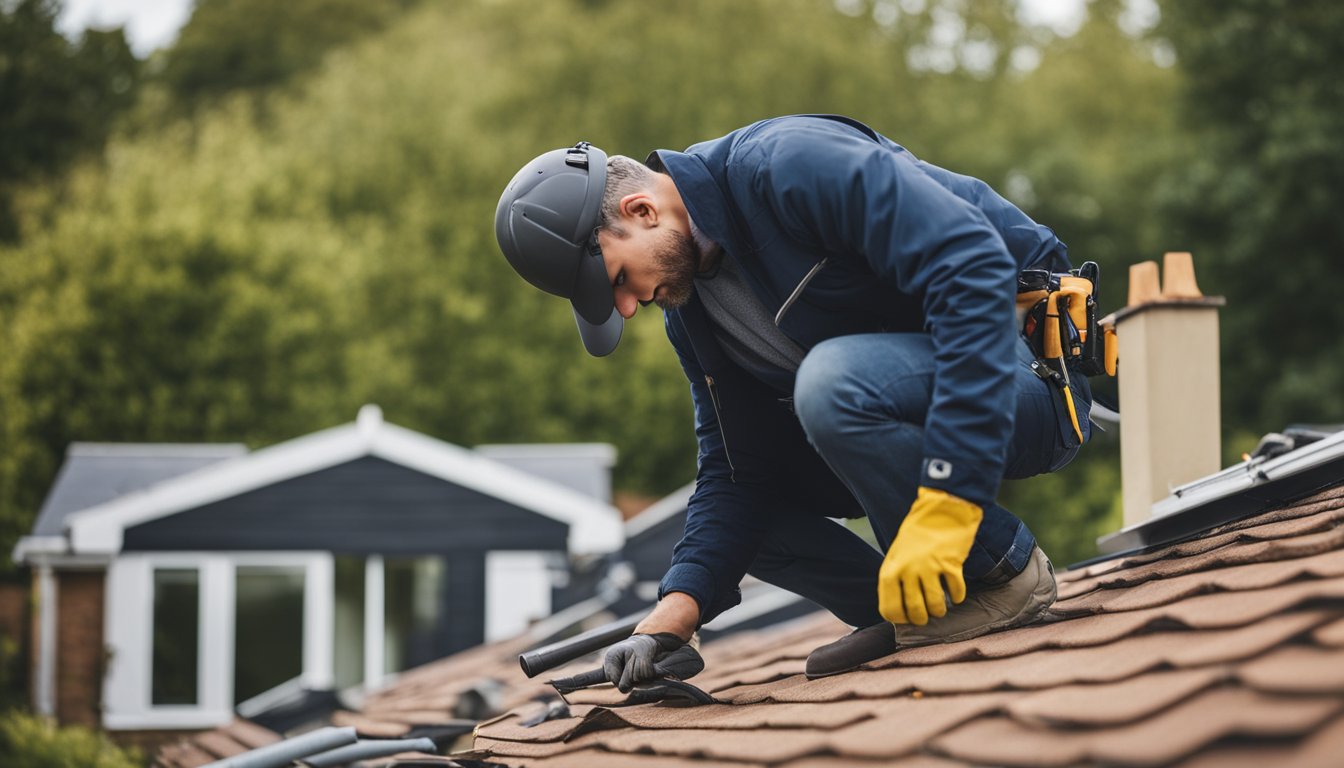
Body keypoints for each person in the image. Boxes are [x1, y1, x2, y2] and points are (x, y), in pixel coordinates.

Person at [493, 115, 1091, 689]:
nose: (627, 308)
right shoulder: (695, 314)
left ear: (642, 210)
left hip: (1025, 373)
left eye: (618, 280)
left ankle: (1002, 574)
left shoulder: (786, 165)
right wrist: (675, 613)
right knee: (748, 506)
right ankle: (914, 613)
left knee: (833, 382)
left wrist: (949, 497)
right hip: (895, 407)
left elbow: (974, 267)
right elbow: (735, 473)